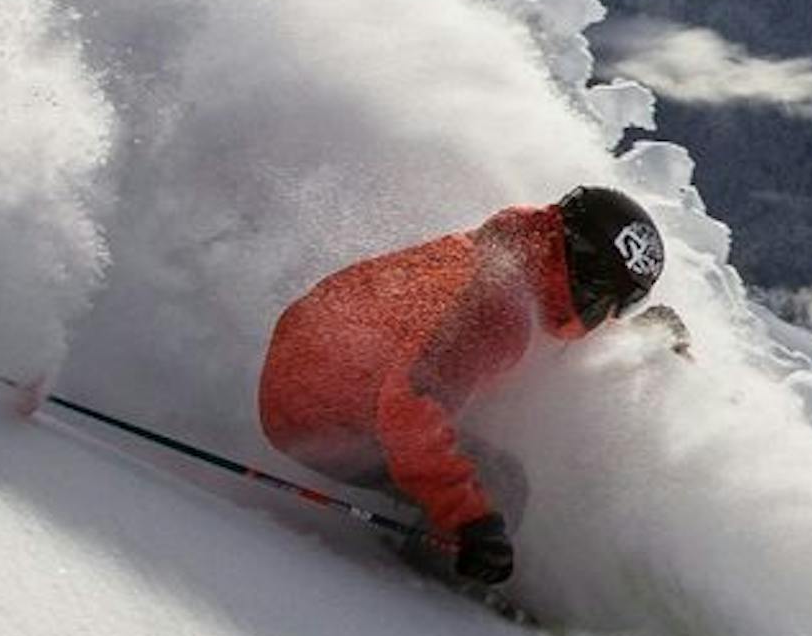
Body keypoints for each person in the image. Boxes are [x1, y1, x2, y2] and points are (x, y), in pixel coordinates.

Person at [254, 184, 667, 588]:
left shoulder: (516, 256)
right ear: (586, 277)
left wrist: (638, 335)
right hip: (315, 418)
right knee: (500, 481)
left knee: (488, 426)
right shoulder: (494, 308)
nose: (609, 314)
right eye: (614, 301)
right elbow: (411, 406)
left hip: (315, 376)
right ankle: (433, 591)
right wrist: (471, 520)